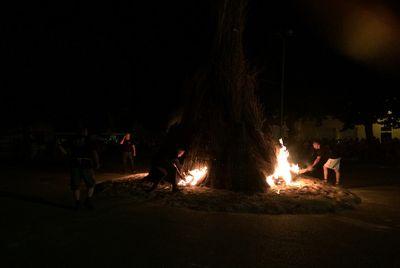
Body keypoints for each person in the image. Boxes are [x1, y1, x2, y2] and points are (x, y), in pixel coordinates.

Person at [59, 128, 100, 210]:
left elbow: (62, 147)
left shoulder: (74, 140)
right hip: (83, 164)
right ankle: (83, 202)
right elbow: (94, 152)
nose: (85, 132)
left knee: (79, 184)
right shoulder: (88, 140)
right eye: (84, 130)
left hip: (78, 164)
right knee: (86, 184)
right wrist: (97, 162)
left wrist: (67, 155)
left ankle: (81, 202)